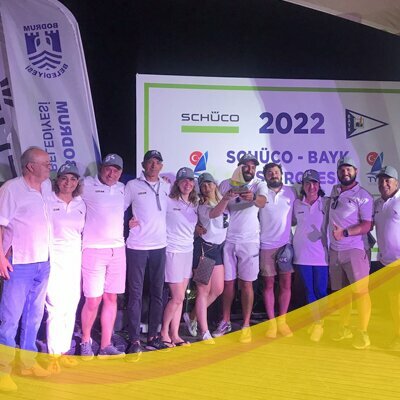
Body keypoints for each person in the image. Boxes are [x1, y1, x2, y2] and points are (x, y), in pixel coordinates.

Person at [0, 147, 52, 392]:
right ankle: (3, 371)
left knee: (34, 316)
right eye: (46, 164)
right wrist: (0, 257)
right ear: (30, 166)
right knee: (10, 320)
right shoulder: (11, 189)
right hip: (19, 263)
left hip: (43, 262)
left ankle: (27, 364)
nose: (50, 167)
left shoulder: (47, 187)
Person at [213, 154, 267, 343]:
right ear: (239, 167)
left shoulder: (258, 184)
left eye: (253, 166)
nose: (250, 169)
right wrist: (226, 198)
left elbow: (262, 201)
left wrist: (253, 198)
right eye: (246, 166)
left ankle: (245, 325)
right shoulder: (225, 184)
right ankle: (225, 321)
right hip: (228, 240)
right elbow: (215, 207)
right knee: (228, 284)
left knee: (246, 284)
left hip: (250, 242)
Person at [124, 150, 171, 357]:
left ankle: (153, 336)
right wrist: (126, 223)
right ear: (143, 165)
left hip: (160, 246)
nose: (153, 165)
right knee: (135, 294)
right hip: (137, 246)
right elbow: (119, 208)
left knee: (158, 293)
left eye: (157, 162)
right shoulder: (132, 185)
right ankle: (134, 339)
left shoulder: (167, 186)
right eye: (150, 162)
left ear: (161, 166)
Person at [80, 154, 126, 359]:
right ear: (101, 169)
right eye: (108, 168)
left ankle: (106, 345)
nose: (111, 173)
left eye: (116, 170)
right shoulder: (86, 185)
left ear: (121, 173)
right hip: (93, 250)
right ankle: (85, 341)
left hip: (118, 250)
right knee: (93, 300)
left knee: (111, 298)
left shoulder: (123, 188)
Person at [329, 155, 373, 349]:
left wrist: (345, 232)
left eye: (349, 169)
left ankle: (363, 332)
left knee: (361, 292)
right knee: (341, 293)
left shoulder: (363, 195)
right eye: (342, 169)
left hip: (355, 249)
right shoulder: (335, 191)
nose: (345, 172)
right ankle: (344, 327)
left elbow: (367, 224)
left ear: (356, 171)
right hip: (335, 251)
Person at [46, 163, 86, 372]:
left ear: (78, 182)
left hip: (74, 261)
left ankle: (63, 351)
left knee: (71, 306)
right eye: (64, 178)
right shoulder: (48, 200)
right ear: (57, 180)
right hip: (53, 259)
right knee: (55, 306)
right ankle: (53, 355)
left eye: (73, 179)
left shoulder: (81, 203)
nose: (68, 183)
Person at [188, 172, 234, 344]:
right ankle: (204, 331)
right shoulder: (202, 206)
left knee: (218, 290)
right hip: (204, 250)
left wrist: (226, 199)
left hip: (218, 249)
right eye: (203, 185)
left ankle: (192, 316)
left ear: (215, 185)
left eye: (209, 183)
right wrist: (226, 199)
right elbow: (215, 213)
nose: (206, 187)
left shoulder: (223, 202)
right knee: (203, 291)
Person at [160, 167, 198, 347]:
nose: (187, 184)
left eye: (190, 180)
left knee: (181, 298)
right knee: (177, 297)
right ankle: (163, 332)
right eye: (183, 180)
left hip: (187, 252)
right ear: (177, 183)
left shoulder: (195, 204)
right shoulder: (168, 200)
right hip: (172, 251)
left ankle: (175, 334)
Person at [259, 162, 297, 338]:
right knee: (268, 285)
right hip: (265, 246)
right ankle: (272, 323)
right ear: (265, 176)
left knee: (285, 284)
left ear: (281, 174)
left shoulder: (291, 192)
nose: (273, 175)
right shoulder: (260, 192)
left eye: (276, 172)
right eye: (269, 173)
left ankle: (282, 322)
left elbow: (295, 218)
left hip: (285, 246)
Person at [292, 169, 329, 342]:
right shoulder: (297, 204)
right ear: (303, 186)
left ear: (319, 185)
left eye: (314, 183)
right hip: (302, 255)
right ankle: (316, 322)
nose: (311, 186)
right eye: (307, 183)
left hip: (322, 255)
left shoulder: (326, 203)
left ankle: (321, 323)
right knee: (309, 291)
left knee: (321, 291)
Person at [373, 166, 400, 350]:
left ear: (396, 183)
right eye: (381, 180)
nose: (384, 184)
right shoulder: (377, 204)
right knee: (394, 302)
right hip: (386, 262)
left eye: (388, 180)